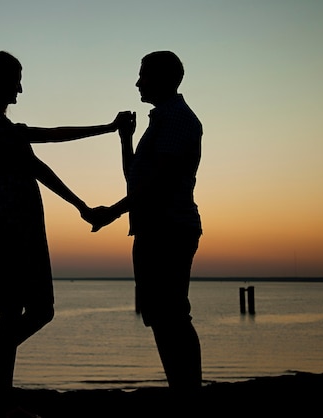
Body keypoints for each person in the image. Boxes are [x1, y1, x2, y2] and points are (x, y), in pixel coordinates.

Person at [0, 50, 130, 417]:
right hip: (12, 217)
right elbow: (49, 137)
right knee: (34, 309)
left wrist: (81, 207)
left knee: (17, 308)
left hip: (16, 213)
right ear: (0, 81)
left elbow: (38, 166)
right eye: (16, 80)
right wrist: (108, 128)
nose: (20, 89)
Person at [91, 51, 203, 400]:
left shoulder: (178, 120)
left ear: (164, 78)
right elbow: (136, 179)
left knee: (172, 315)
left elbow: (159, 184)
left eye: (144, 76)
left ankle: (187, 394)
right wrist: (125, 138)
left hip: (169, 228)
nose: (138, 82)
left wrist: (112, 212)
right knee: (161, 315)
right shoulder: (162, 121)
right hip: (154, 228)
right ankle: (182, 391)